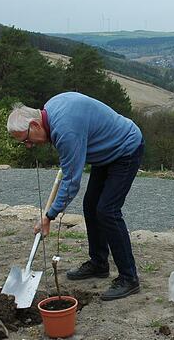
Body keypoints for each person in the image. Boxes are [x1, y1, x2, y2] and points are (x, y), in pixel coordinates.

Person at [7, 92, 145, 301]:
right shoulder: (51, 109)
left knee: (107, 210)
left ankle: (129, 278)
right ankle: (99, 264)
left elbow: (72, 182)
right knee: (91, 206)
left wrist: (49, 216)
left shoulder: (65, 131)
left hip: (125, 148)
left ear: (35, 125)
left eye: (26, 140)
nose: (28, 145)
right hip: (105, 153)